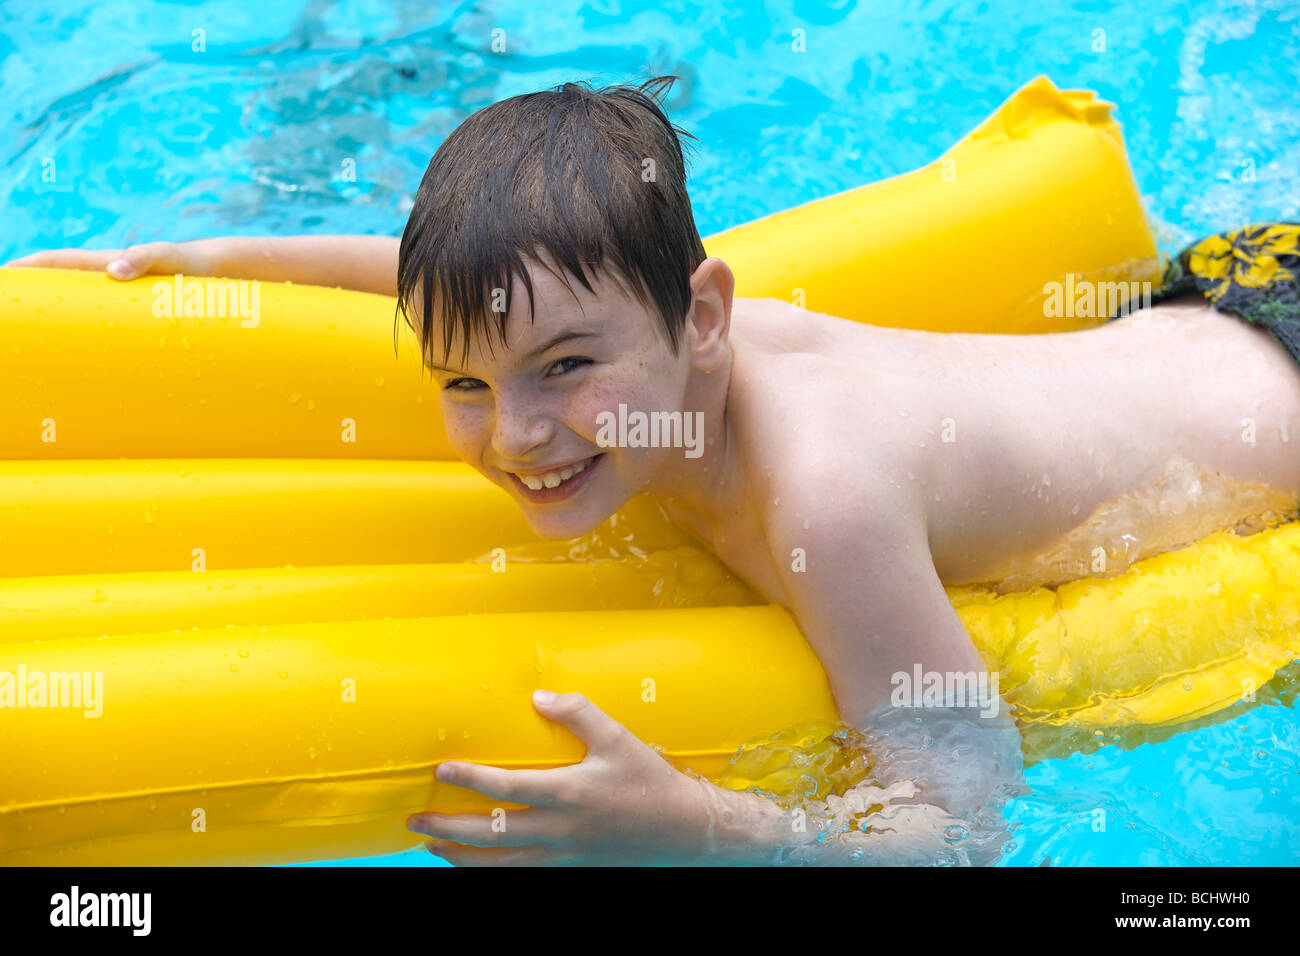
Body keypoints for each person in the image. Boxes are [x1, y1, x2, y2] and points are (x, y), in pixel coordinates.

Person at [10, 76, 1299, 866]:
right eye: (466, 383)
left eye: (567, 369)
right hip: (1210, 292)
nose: (515, 436)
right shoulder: (661, 356)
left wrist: (702, 833)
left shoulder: (830, 504)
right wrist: (196, 268)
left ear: (705, 318)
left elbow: (969, 823)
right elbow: (403, 277)